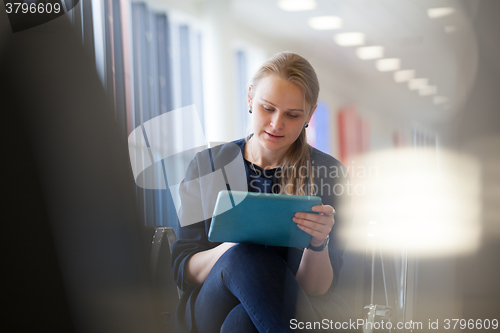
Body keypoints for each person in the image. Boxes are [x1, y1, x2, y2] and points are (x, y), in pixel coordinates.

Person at [170, 51, 352, 333]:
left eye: (292, 115)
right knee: (243, 255)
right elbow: (184, 270)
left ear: (310, 115)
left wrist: (318, 242)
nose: (277, 124)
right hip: (212, 304)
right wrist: (232, 251)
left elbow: (315, 290)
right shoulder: (207, 166)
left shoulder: (327, 172)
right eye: (268, 108)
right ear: (250, 99)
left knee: (244, 322)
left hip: (286, 310)